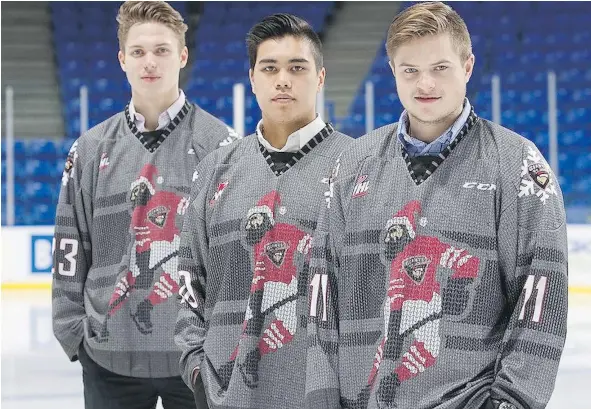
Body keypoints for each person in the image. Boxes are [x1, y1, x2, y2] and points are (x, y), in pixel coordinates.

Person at [306, 2, 568, 409]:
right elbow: (323, 289)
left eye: (440, 67)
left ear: (467, 67)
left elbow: (541, 293)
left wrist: (513, 401)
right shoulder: (352, 165)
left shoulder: (516, 164)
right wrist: (320, 396)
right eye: (410, 70)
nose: (424, 83)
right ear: (393, 71)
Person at [51, 2, 240, 408]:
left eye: (162, 50)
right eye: (138, 51)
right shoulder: (89, 150)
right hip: (107, 357)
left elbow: (235, 258)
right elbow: (69, 244)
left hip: (195, 360)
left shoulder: (223, 148)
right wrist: (75, 334)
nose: (149, 62)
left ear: (183, 55)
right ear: (122, 59)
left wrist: (224, 342)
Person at [174, 13, 353, 409]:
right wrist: (197, 372)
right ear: (253, 78)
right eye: (269, 68)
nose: (283, 79)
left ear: (320, 77)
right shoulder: (215, 170)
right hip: (227, 395)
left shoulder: (360, 166)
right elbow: (188, 278)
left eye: (297, 68)